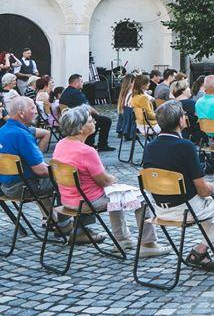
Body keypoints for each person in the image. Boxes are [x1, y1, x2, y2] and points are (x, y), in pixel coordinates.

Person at [142, 101, 214, 269]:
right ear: (181, 121)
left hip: (161, 207)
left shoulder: (150, 147)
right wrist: (212, 188)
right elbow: (202, 190)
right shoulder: (185, 146)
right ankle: (199, 251)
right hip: (186, 208)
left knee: (211, 208)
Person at [53, 106, 170, 255]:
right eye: (90, 120)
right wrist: (113, 179)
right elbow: (103, 180)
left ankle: (122, 239)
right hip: (87, 200)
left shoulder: (61, 144)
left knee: (117, 194)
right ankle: (148, 244)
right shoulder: (86, 151)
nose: (94, 121)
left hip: (68, 199)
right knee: (143, 197)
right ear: (81, 128)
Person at [0, 97, 72, 236]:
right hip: (22, 187)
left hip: (5, 186)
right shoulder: (21, 135)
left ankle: (51, 218)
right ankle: (64, 225)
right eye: (32, 108)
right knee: (65, 180)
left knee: (47, 178)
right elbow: (39, 170)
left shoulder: (2, 131)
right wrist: (63, 173)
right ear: (21, 113)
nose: (36, 112)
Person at [60, 74, 114, 152]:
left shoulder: (67, 91)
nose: (83, 83)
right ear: (76, 83)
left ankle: (90, 142)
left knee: (97, 119)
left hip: (73, 116)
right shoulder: (75, 93)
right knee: (106, 121)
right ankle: (101, 144)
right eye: (81, 81)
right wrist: (97, 113)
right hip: (78, 118)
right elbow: (86, 107)